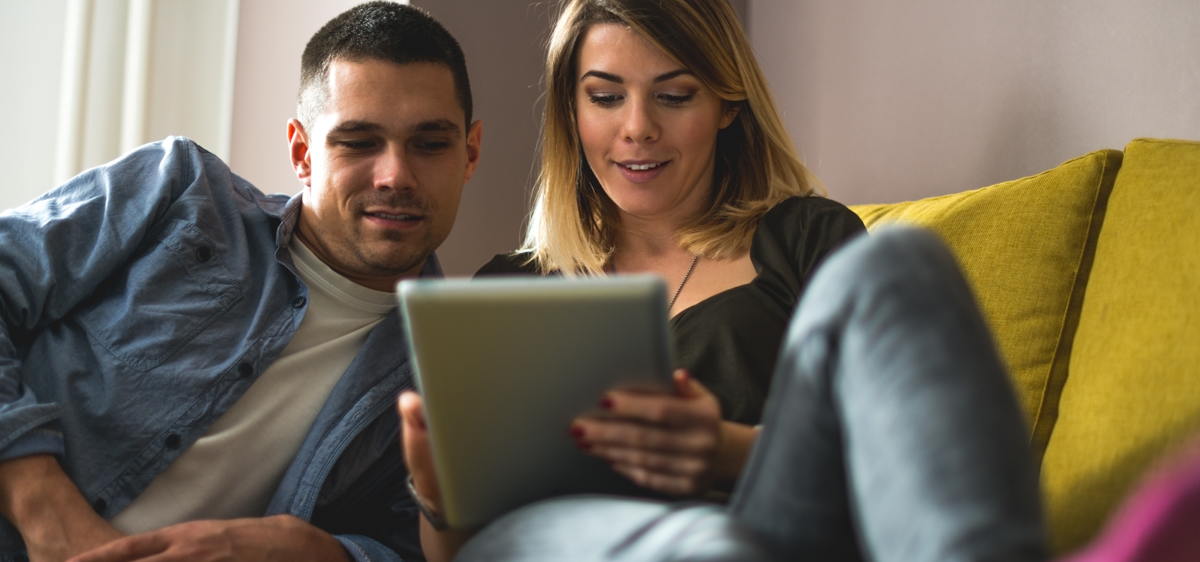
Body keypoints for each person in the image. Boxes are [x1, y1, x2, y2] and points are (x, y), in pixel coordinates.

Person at [396, 0, 1048, 560]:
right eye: (604, 96)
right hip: (596, 541)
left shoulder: (804, 240)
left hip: (782, 524)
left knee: (903, 258)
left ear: (728, 106)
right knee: (695, 544)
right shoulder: (508, 292)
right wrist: (435, 494)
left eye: (675, 96)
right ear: (571, 112)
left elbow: (893, 455)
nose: (637, 128)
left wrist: (724, 450)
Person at [0, 3, 480, 561]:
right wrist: (44, 508)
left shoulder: (453, 372)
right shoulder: (179, 191)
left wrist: (319, 551)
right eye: (358, 141)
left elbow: (415, 546)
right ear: (302, 152)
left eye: (430, 143)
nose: (395, 175)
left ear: (469, 153)